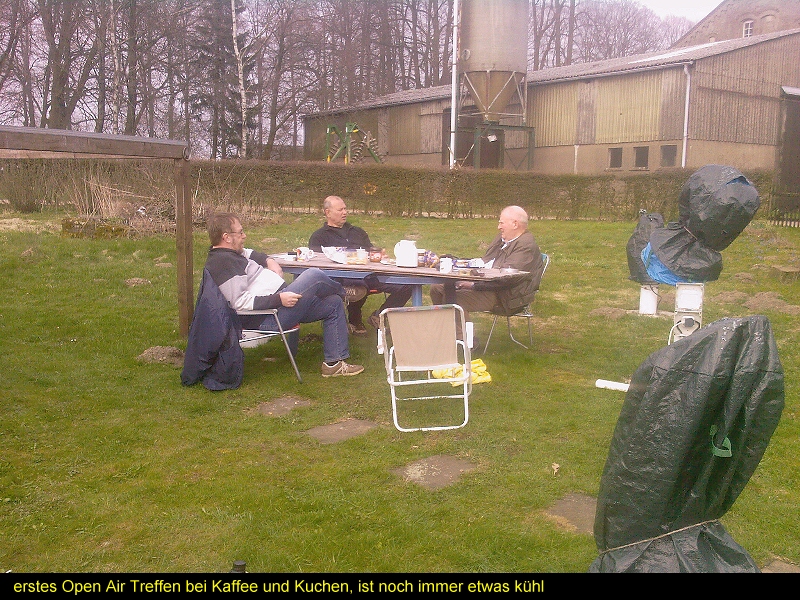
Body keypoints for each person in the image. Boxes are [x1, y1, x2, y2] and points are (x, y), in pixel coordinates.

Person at [204, 212, 363, 377]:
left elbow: (249, 253)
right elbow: (239, 302)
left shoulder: (231, 253)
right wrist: (278, 299)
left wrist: (269, 261)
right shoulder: (223, 263)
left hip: (280, 305)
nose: (244, 236)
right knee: (313, 275)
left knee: (333, 303)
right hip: (268, 317)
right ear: (226, 237)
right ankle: (344, 292)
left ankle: (334, 364)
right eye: (240, 232)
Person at [430, 205, 545, 336]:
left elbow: (507, 280)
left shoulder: (525, 247)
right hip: (490, 286)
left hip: (506, 295)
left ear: (515, 224)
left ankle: (467, 342)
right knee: (436, 289)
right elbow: (485, 262)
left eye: (501, 223)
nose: (499, 227)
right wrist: (460, 263)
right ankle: (448, 335)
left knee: (453, 299)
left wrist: (473, 285)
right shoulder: (503, 239)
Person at [308, 195, 412, 333]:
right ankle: (355, 320)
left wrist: (379, 255)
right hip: (339, 279)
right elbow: (315, 264)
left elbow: (371, 251)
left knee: (407, 286)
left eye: (345, 209)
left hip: (369, 277)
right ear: (328, 212)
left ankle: (379, 316)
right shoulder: (319, 236)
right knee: (357, 285)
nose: (345, 212)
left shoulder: (357, 231)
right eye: (340, 210)